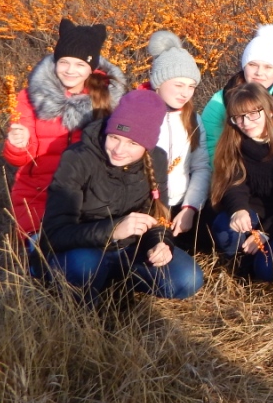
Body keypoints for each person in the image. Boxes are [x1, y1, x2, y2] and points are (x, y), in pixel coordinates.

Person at [40, 90, 204, 301]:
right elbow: (54, 235)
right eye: (114, 137)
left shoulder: (157, 159)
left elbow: (157, 216)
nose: (119, 149)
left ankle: (113, 285)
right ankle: (75, 289)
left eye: (132, 143)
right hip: (82, 251)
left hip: (129, 250)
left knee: (187, 278)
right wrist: (114, 229)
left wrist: (160, 243)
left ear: (146, 146)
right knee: (84, 267)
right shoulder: (78, 158)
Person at [3, 18, 126, 241]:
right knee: (44, 252)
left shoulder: (107, 99)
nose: (70, 70)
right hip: (38, 193)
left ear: (92, 68)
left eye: (80, 65)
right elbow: (21, 160)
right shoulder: (29, 97)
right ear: (55, 62)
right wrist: (17, 145)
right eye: (64, 62)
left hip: (87, 196)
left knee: (85, 255)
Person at [209, 83, 273, 281]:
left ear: (270, 111)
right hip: (250, 211)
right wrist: (239, 209)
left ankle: (256, 261)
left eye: (253, 114)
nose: (245, 122)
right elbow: (233, 181)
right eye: (238, 117)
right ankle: (238, 258)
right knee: (225, 229)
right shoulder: (234, 140)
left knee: (267, 270)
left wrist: (266, 232)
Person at [200, 24, 273, 162]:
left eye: (268, 67)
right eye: (252, 65)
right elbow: (210, 145)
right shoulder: (221, 100)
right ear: (244, 66)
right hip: (237, 171)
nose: (259, 72)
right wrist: (223, 176)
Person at [145, 30, 211, 252]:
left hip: (181, 205)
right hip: (147, 206)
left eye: (191, 86)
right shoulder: (138, 114)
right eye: (178, 85)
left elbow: (201, 166)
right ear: (158, 82)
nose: (185, 93)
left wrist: (190, 207)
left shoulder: (192, 119)